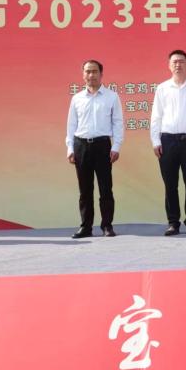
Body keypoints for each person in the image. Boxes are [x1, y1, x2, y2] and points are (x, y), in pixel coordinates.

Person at [150, 50, 186, 236]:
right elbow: (156, 117)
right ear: (169, 65)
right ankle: (173, 223)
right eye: (174, 62)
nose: (178, 65)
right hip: (167, 141)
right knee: (170, 184)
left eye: (181, 61)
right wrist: (155, 141)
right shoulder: (162, 89)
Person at [65, 60, 124, 238]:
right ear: (83, 74)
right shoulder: (77, 98)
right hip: (81, 145)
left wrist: (116, 146)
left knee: (105, 188)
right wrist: (70, 148)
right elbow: (71, 125)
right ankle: (86, 227)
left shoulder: (111, 96)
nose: (91, 75)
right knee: (85, 190)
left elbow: (118, 123)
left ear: (101, 74)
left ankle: (107, 226)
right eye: (88, 71)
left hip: (102, 146)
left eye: (94, 71)